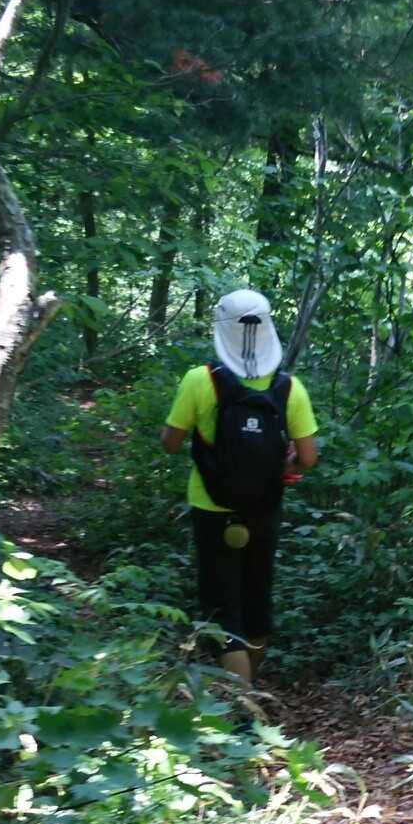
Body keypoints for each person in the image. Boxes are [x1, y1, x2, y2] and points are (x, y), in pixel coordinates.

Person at [161, 289, 317, 685]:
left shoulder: (200, 380)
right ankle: (251, 691)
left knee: (222, 606)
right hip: (264, 508)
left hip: (210, 506)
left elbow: (170, 443)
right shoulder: (289, 388)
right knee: (256, 601)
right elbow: (308, 457)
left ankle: (241, 703)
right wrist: (284, 464)